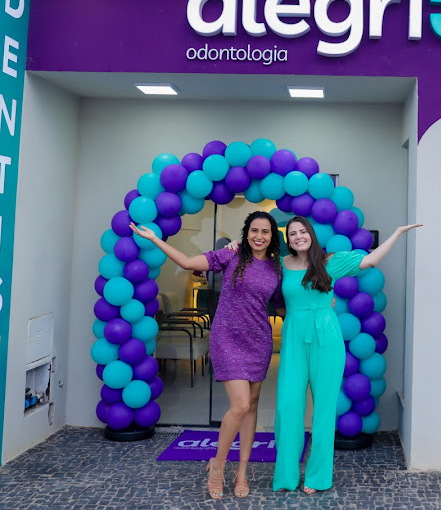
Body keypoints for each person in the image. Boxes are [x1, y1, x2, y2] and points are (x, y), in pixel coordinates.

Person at [229, 216, 421, 493]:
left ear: (311, 234)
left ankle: (317, 477)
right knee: (287, 407)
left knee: (323, 410)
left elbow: (370, 260)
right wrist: (235, 247)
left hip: (326, 338)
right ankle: (286, 476)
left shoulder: (330, 261)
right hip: (294, 337)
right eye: (292, 233)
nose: (298, 237)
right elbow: (254, 270)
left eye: (302, 231)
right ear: (287, 239)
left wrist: (398, 232)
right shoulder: (279, 265)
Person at [130, 211, 285, 500]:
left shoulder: (276, 268)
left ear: (272, 236)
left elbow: (283, 308)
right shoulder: (231, 255)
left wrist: (320, 304)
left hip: (258, 341)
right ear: (247, 232)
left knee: (252, 406)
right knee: (240, 405)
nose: (259, 236)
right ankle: (217, 466)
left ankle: (242, 472)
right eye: (254, 230)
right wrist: (154, 239)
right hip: (228, 338)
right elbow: (188, 263)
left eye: (265, 231)